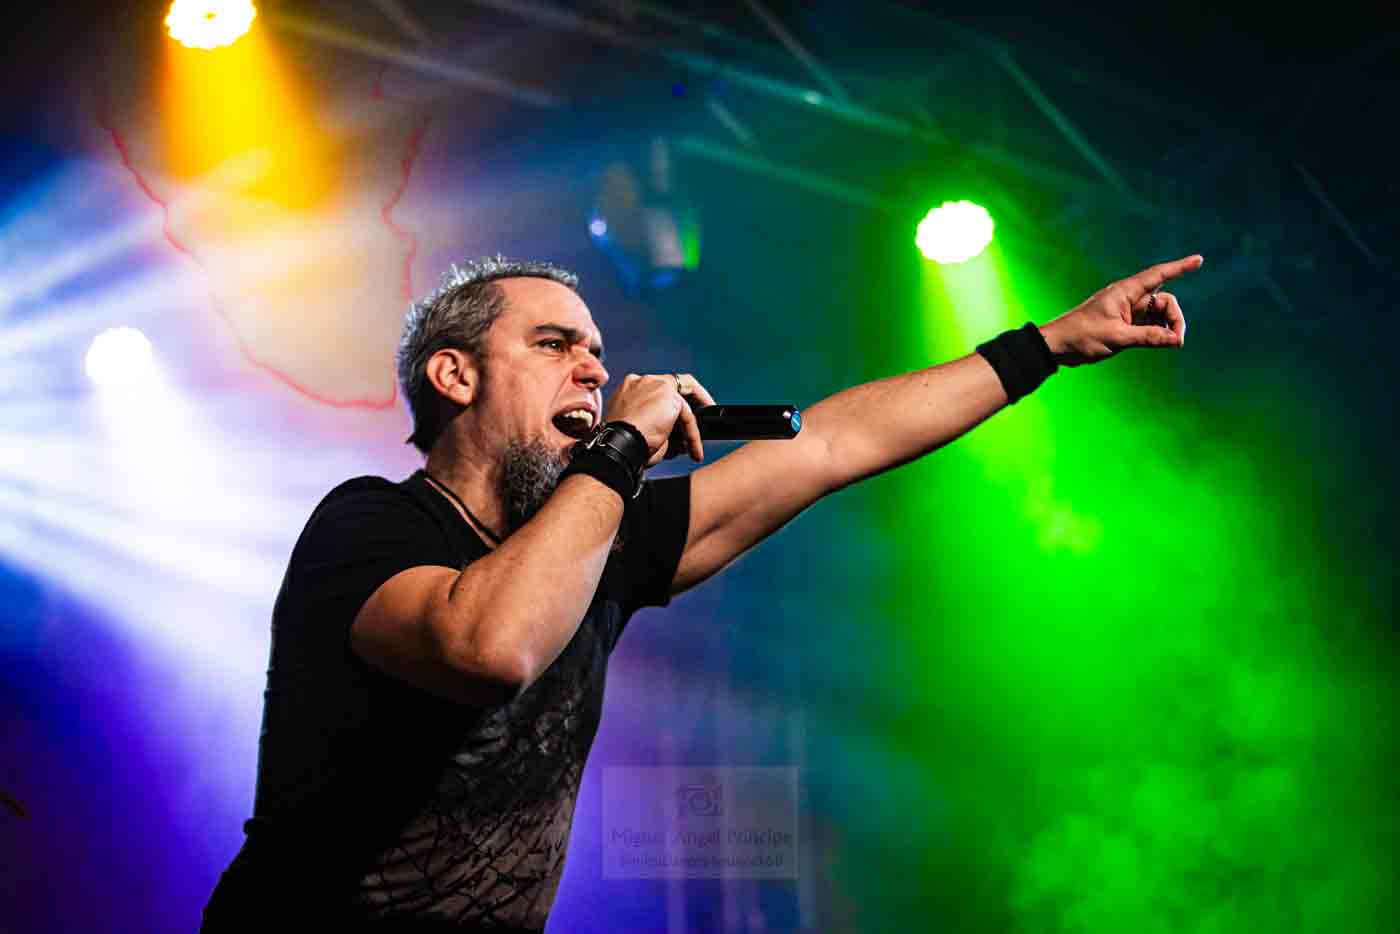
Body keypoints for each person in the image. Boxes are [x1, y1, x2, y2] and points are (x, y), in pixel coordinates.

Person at [201, 252, 1201, 932]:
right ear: (454, 376)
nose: (593, 368)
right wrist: (620, 448)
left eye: (596, 352)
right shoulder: (368, 526)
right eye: (553, 345)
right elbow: (490, 647)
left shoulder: (603, 535)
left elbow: (832, 444)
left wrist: (1045, 346)